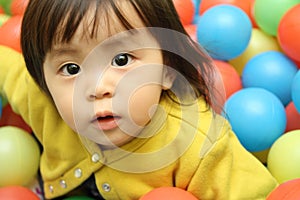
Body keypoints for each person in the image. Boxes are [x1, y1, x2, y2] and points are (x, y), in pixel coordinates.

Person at [0, 0, 278, 199]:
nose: (98, 88)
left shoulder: (197, 144)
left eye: (121, 60)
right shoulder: (41, 100)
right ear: (43, 82)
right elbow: (6, 67)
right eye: (72, 69)